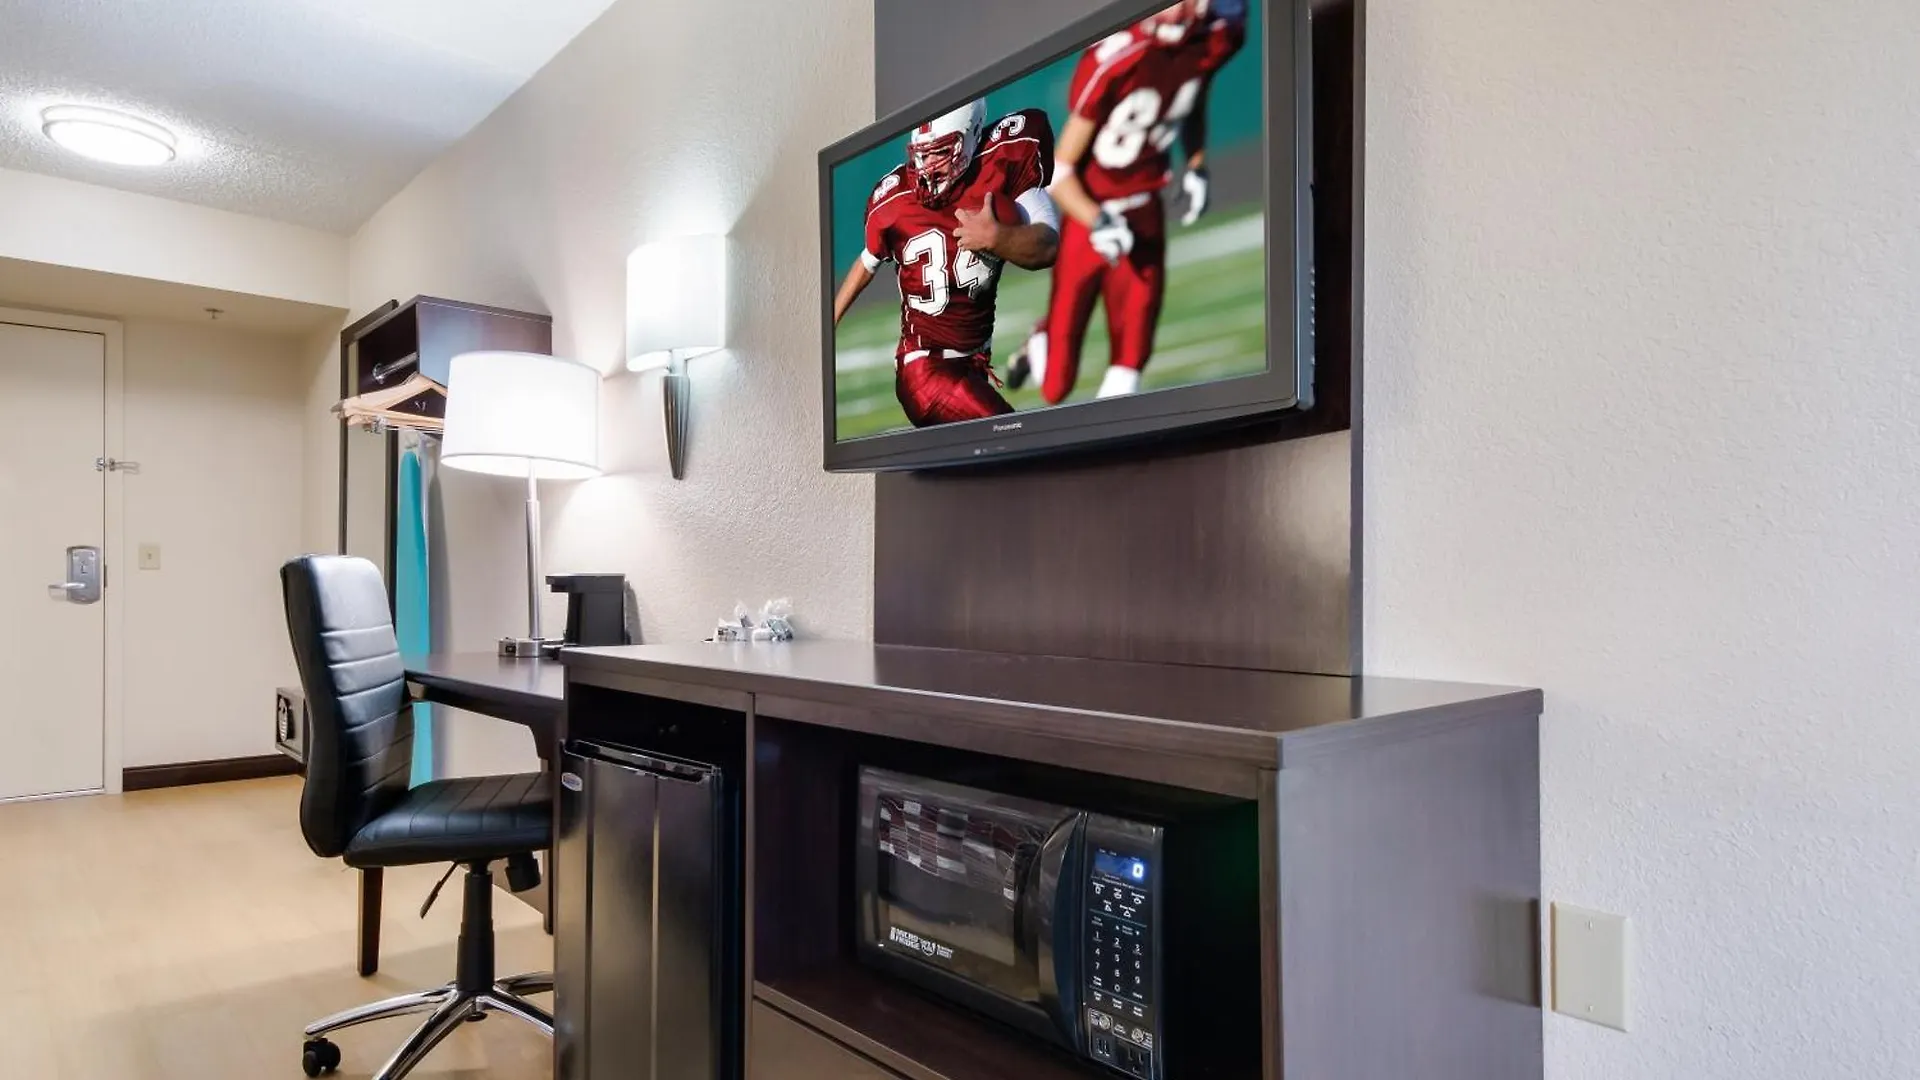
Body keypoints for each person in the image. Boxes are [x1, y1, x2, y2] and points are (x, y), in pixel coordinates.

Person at [1007, 0, 1247, 403]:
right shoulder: (1115, 56)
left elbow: (1193, 93)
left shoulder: (1218, 34)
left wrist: (1196, 163)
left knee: (1129, 367)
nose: (1172, 10)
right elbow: (1059, 172)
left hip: (1145, 209)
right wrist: (1098, 220)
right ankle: (1041, 339)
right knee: (1055, 388)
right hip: (1090, 215)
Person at [833, 101, 1061, 427]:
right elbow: (867, 261)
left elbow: (1048, 244)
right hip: (926, 370)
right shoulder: (894, 199)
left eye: (940, 152)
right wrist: (827, 324)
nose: (928, 166)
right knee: (1013, 436)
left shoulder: (1002, 159)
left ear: (971, 137)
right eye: (922, 155)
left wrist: (998, 238)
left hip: (972, 365)